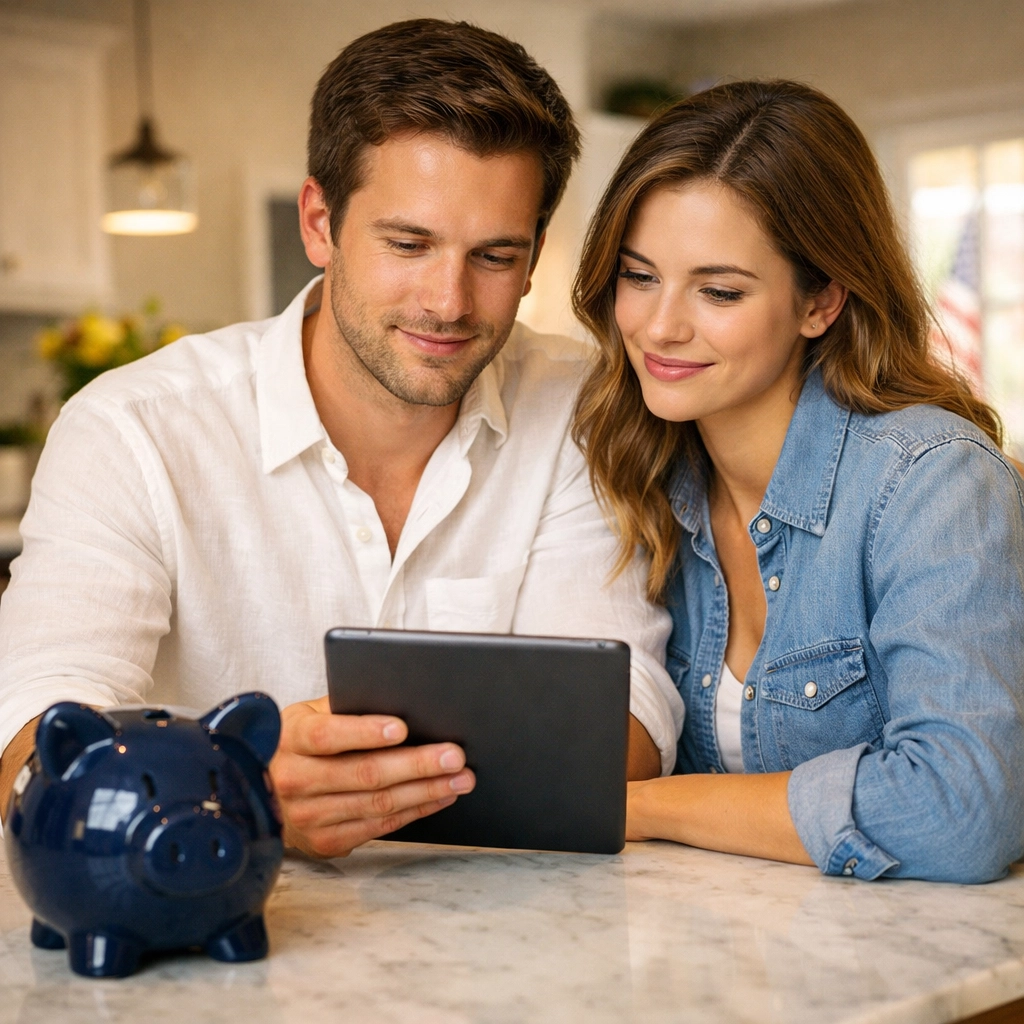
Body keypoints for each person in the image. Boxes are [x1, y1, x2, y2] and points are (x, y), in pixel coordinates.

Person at [0, 19, 684, 854]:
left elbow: (625, 724)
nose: (449, 301)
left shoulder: (584, 408)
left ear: (537, 253)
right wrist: (235, 783)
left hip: (517, 941)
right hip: (207, 924)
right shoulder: (132, 431)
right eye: (409, 243)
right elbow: (29, 751)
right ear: (319, 223)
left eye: (495, 256)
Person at [571, 79, 1024, 882]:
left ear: (821, 301)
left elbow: (963, 811)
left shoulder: (931, 482)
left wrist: (639, 806)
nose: (660, 325)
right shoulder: (641, 471)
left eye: (719, 291)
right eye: (639, 276)